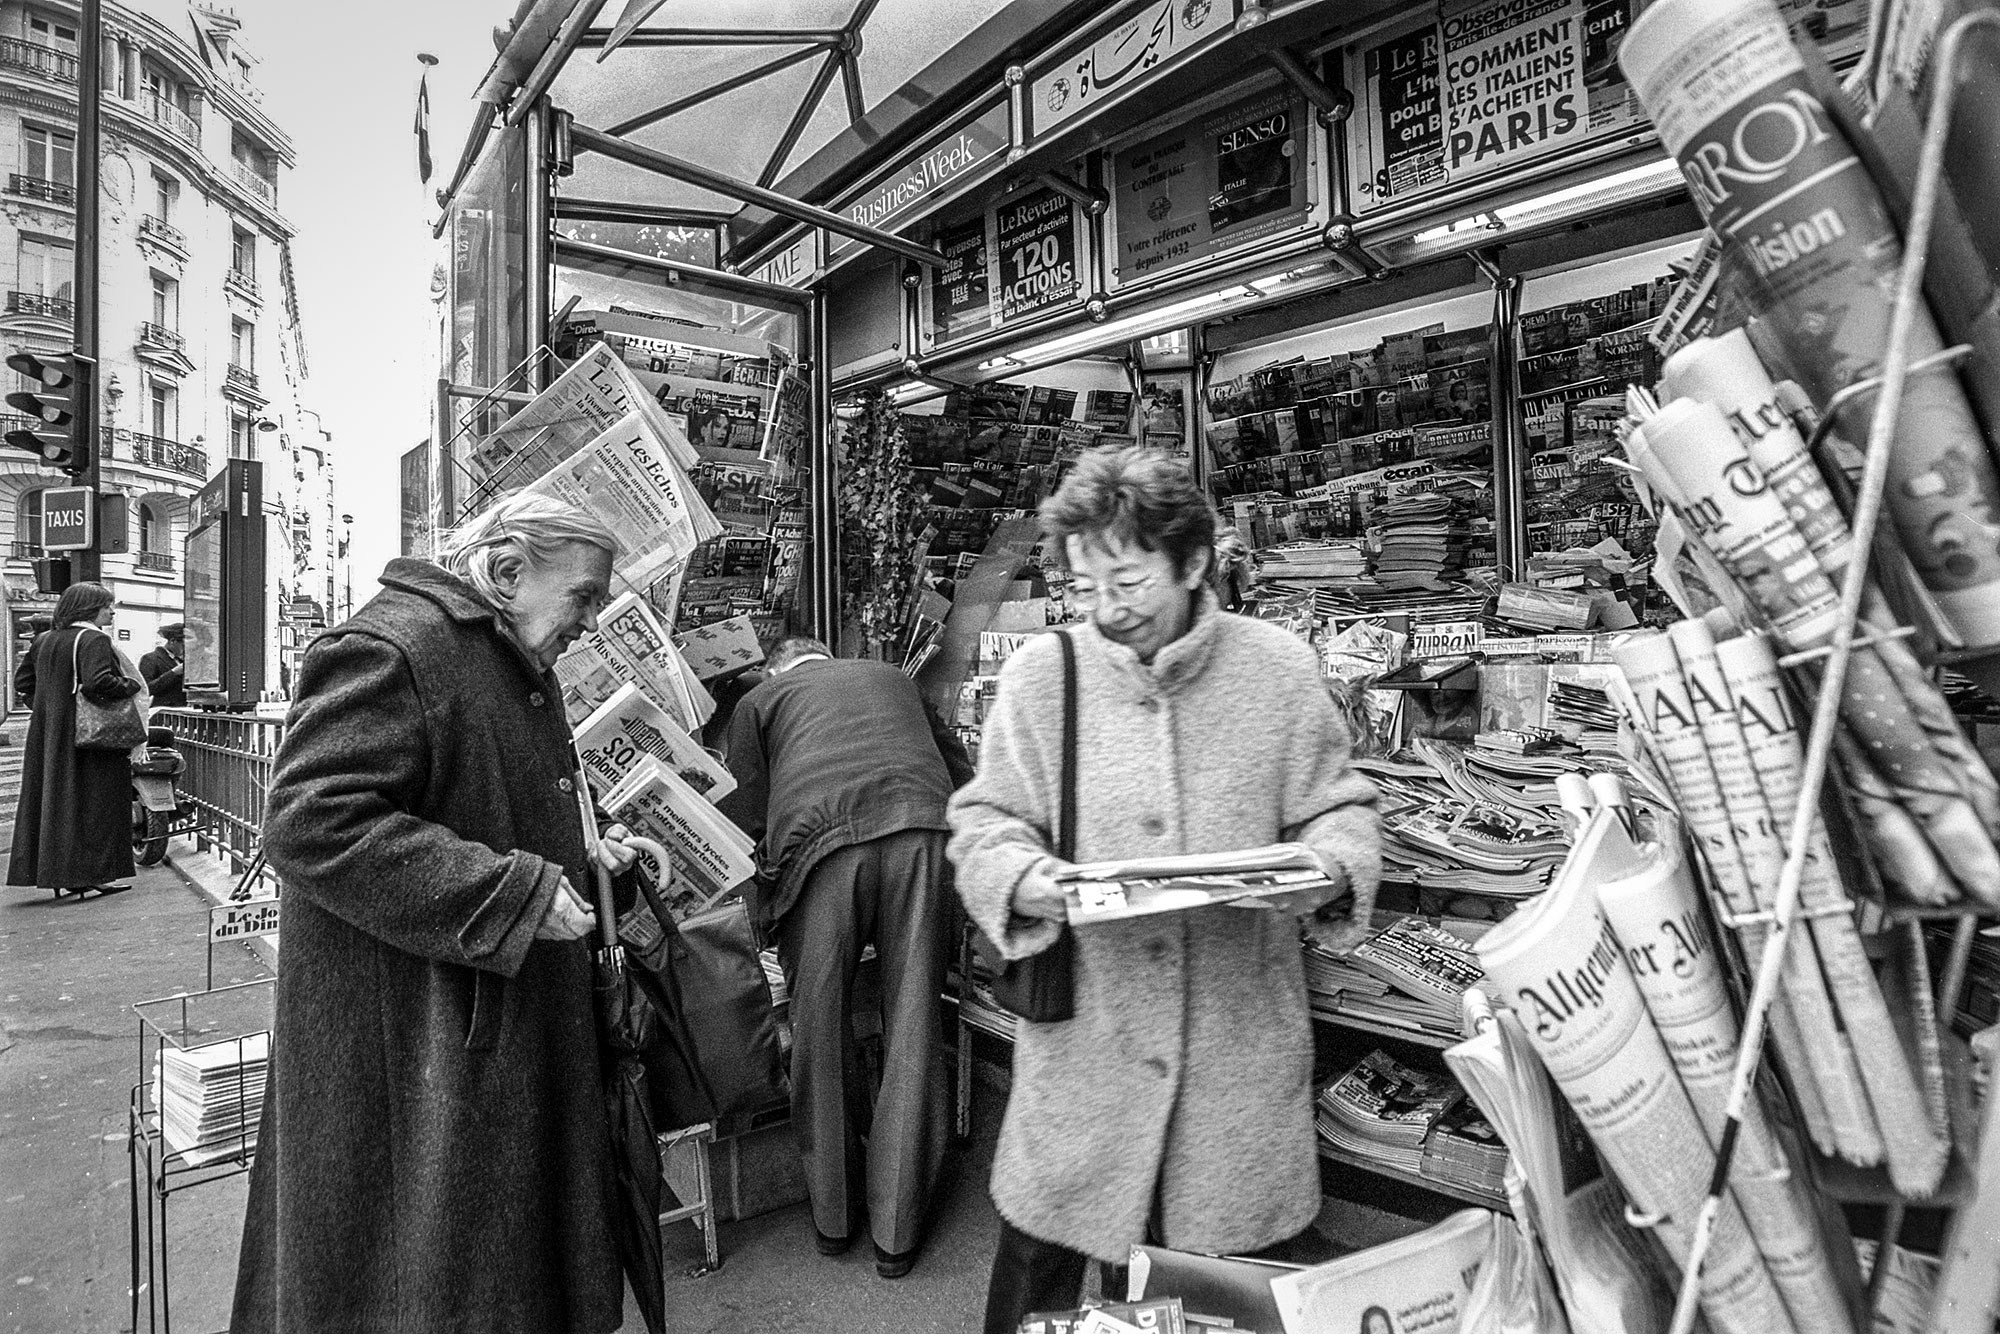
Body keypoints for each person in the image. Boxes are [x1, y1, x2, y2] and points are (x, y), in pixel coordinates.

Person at [948, 448, 1381, 1333]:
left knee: (1223, 1298)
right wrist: (1029, 884)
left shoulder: (1279, 668)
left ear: (1191, 562)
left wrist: (1326, 871)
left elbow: (1341, 810)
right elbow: (985, 822)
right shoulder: (1045, 676)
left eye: (1132, 579)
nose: (1108, 607)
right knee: (1041, 1293)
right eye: (1086, 584)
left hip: (1236, 1062)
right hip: (1085, 1068)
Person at [230, 492, 644, 1334]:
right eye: (585, 597)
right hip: (426, 1049)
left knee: (493, 1280)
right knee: (430, 1285)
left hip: (476, 1037)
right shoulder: (397, 648)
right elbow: (312, 819)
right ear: (505, 571)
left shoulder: (492, 655)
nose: (593, 621)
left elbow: (480, 803)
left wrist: (590, 857)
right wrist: (512, 892)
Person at [716, 636, 975, 1279]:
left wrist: (763, 906)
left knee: (819, 1029)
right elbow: (961, 771)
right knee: (914, 1023)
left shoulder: (762, 699)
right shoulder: (893, 676)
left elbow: (742, 814)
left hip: (822, 848)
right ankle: (898, 1232)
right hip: (924, 832)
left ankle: (834, 1218)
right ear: (827, 656)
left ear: (777, 666)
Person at [6, 584, 142, 897]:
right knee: (94, 803)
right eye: (107, 606)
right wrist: (131, 685)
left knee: (55, 801)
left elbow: (23, 682)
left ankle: (55, 872)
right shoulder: (94, 638)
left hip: (48, 734)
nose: (112, 612)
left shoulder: (44, 639)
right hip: (88, 738)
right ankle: (89, 873)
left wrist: (50, 709)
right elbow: (98, 682)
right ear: (90, 609)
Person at [139, 622, 186, 709]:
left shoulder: (182, 660)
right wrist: (173, 673)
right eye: (184, 645)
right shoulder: (150, 658)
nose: (186, 649)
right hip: (161, 711)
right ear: (172, 641)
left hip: (183, 710)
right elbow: (146, 689)